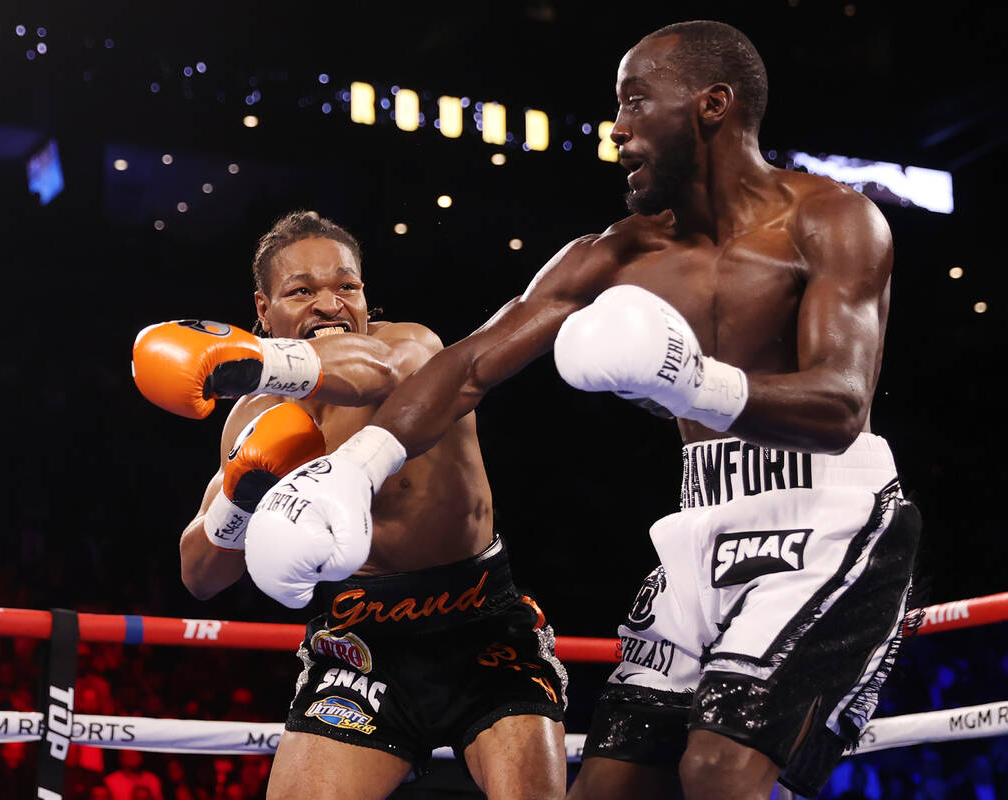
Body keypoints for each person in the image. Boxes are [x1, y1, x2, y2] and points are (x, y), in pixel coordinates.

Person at [255, 21, 921, 800]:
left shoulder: (831, 220)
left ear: (713, 106)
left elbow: (842, 403)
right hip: (701, 525)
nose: (618, 128)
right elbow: (469, 364)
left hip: (831, 514)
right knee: (604, 789)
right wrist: (354, 470)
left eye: (636, 102)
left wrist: (689, 379)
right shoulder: (617, 252)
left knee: (718, 772)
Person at [131, 212, 567, 800]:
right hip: (359, 648)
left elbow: (387, 370)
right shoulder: (252, 417)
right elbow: (200, 575)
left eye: (346, 286)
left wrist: (261, 362)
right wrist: (241, 494)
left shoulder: (408, 346)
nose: (329, 303)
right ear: (263, 309)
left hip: (482, 631)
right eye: (302, 290)